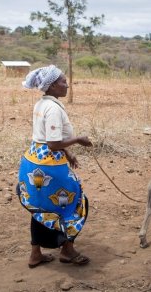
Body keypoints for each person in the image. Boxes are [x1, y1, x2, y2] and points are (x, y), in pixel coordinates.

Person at [17, 65, 93, 268]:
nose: (66, 84)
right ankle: (67, 250)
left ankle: (36, 254)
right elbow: (52, 144)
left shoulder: (41, 104)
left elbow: (44, 138)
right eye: (62, 81)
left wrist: (67, 152)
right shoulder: (53, 109)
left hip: (33, 161)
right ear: (50, 86)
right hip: (49, 165)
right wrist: (78, 140)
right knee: (72, 203)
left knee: (41, 208)